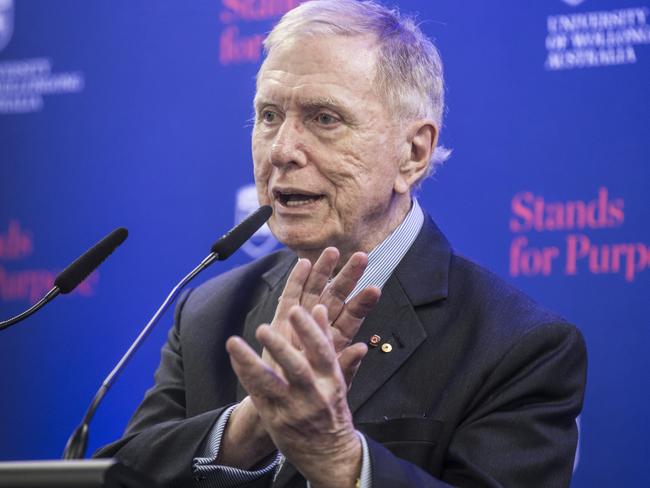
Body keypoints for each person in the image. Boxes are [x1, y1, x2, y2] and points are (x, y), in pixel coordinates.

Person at [97, 1, 587, 487]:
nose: (283, 150)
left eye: (324, 118)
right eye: (269, 115)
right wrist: (246, 429)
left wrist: (339, 460)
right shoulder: (207, 314)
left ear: (412, 154)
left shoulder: (519, 346)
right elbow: (121, 477)